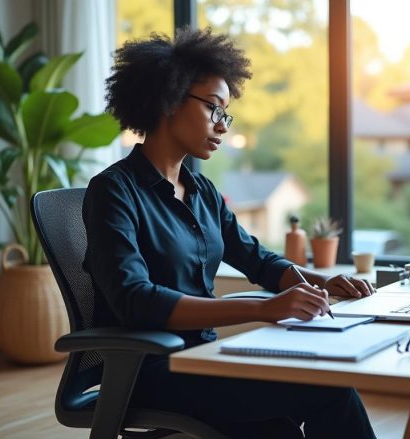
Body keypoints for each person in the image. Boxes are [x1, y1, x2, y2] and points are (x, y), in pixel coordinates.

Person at [83, 27, 377, 438]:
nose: (222, 125)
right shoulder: (113, 191)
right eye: (213, 109)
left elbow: (258, 259)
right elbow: (136, 299)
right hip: (148, 370)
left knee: (287, 423)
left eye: (225, 114)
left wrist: (321, 283)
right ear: (169, 98)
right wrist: (261, 310)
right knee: (328, 386)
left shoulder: (202, 192)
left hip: (205, 357)